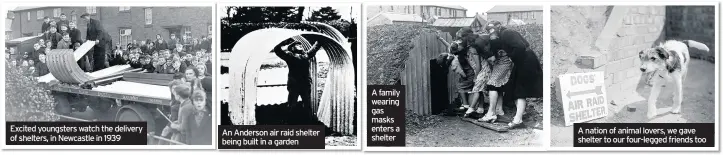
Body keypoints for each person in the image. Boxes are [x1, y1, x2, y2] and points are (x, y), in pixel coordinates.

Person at [486, 21, 542, 128]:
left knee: (519, 90)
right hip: (521, 60)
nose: (491, 32)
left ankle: (518, 119)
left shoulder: (507, 33)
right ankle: (519, 117)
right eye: (489, 31)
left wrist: (510, 55)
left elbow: (520, 47)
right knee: (515, 89)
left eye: (492, 29)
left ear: (498, 27)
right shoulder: (502, 35)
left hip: (526, 60)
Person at [273, 39, 322, 123]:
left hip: (305, 84)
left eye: (301, 45)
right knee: (292, 104)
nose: (300, 45)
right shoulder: (289, 56)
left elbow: (314, 49)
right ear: (292, 48)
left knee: (307, 105)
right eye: (297, 45)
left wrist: (319, 40)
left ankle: (310, 123)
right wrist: (283, 42)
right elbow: (277, 50)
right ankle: (290, 123)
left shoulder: (305, 55)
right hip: (294, 85)